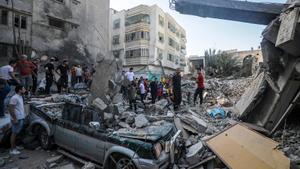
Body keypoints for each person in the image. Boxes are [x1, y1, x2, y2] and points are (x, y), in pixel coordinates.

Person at [9, 85, 26, 155]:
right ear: (19, 90)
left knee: (16, 133)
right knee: (14, 133)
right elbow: (10, 109)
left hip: (20, 117)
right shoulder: (14, 98)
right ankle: (12, 149)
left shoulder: (20, 96)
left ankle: (15, 146)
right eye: (23, 88)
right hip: (17, 118)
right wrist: (15, 118)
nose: (25, 89)